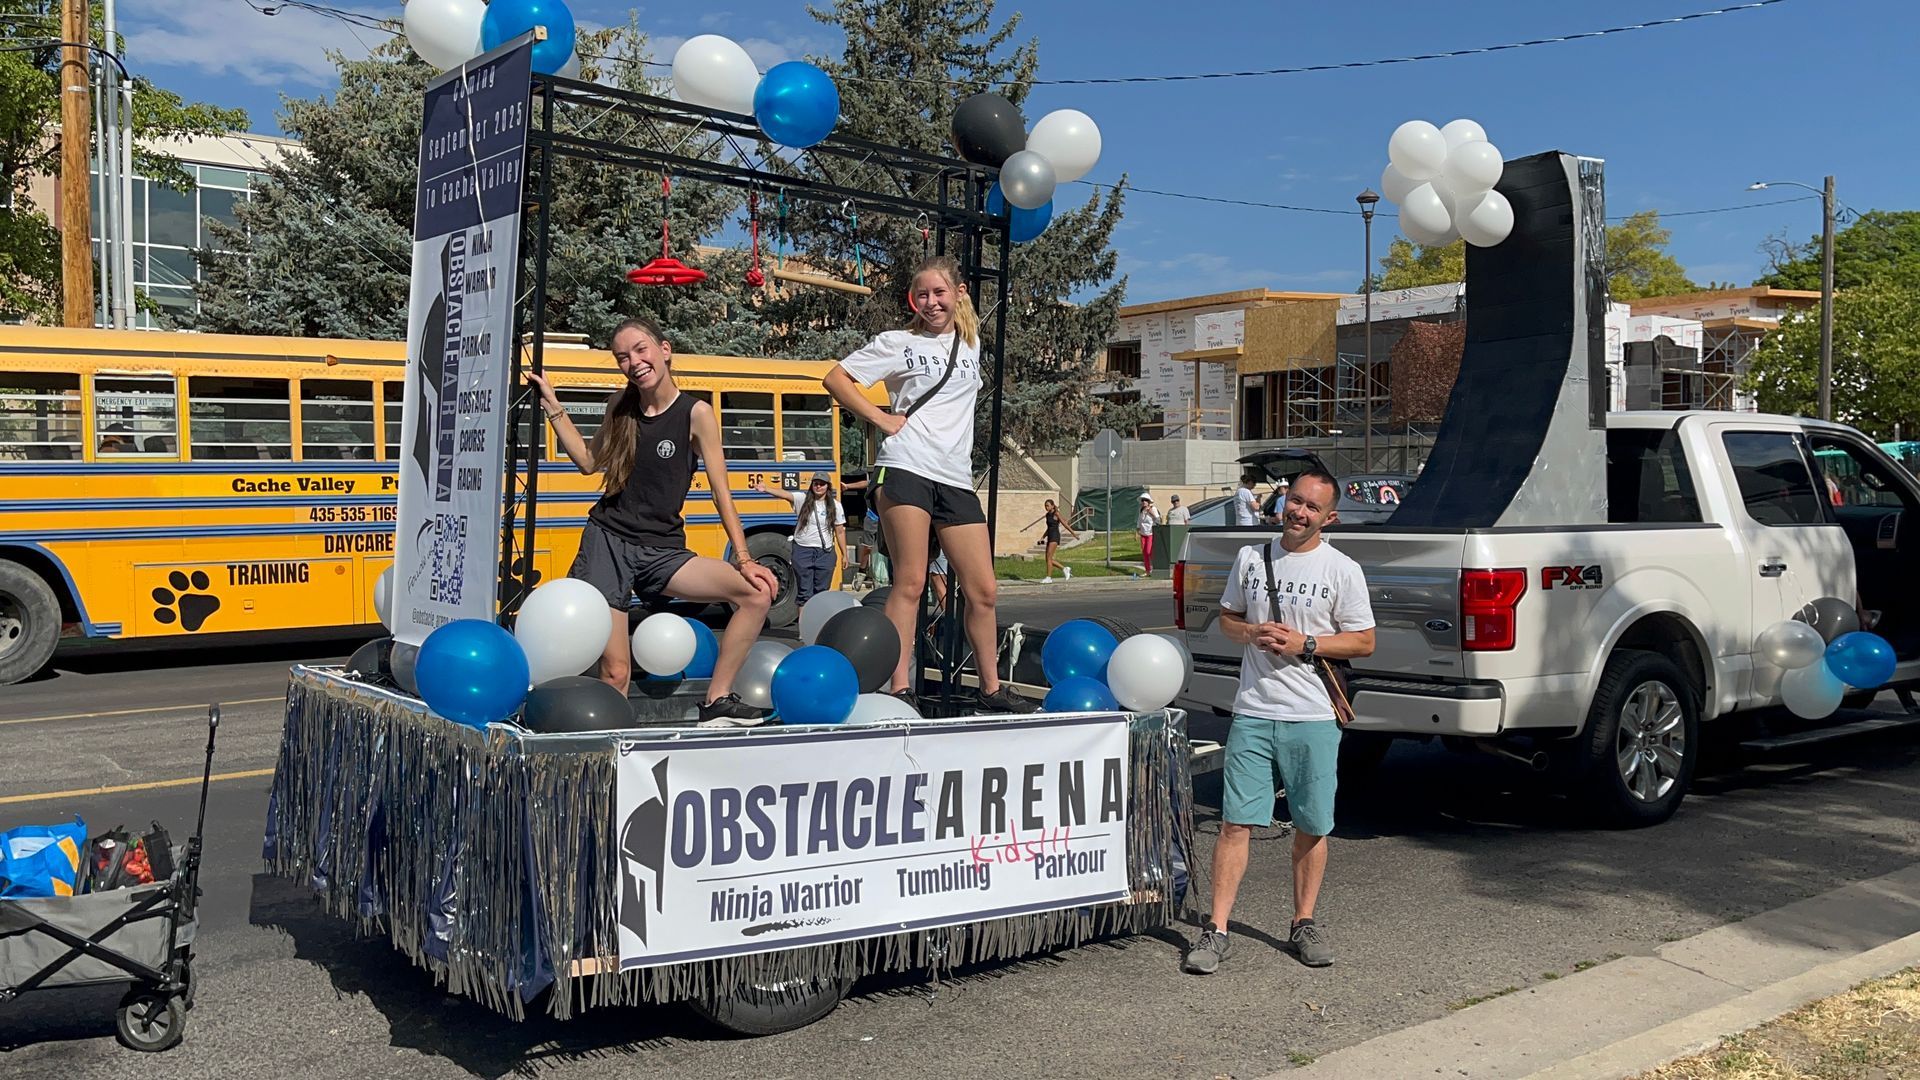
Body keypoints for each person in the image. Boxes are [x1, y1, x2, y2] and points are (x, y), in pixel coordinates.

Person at [527, 317, 778, 728]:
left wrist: (745, 558)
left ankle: (717, 701)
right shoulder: (620, 406)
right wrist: (554, 407)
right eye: (622, 357)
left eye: (640, 350)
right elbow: (589, 463)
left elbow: (721, 493)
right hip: (608, 543)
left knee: (756, 593)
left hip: (662, 549)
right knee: (616, 672)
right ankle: (608, 750)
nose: (634, 362)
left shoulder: (696, 414)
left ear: (664, 350)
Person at [1184, 467, 1375, 975]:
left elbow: (1363, 641)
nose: (1300, 512)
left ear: (1328, 518)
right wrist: (1251, 633)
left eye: (1313, 507)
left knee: (1311, 825)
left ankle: (1303, 923)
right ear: (1282, 501)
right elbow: (1228, 619)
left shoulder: (1342, 570)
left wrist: (1305, 643)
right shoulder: (1251, 557)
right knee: (1235, 824)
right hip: (1253, 710)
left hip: (1312, 716)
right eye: (1295, 500)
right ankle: (1217, 929)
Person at [822, 254, 1032, 714]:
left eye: (939, 292)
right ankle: (899, 686)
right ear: (912, 299)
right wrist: (880, 417)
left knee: (984, 589)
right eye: (922, 294)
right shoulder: (899, 342)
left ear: (959, 294)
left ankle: (991, 689)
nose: (931, 302)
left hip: (954, 477)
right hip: (906, 466)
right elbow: (835, 378)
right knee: (911, 581)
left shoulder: (970, 343)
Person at [751, 472, 845, 607]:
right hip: (803, 551)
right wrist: (766, 488)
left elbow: (840, 531)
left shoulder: (835, 505)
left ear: (828, 486)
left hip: (825, 553)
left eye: (822, 484)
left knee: (822, 593)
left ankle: (819, 619)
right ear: (812, 485)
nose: (818, 486)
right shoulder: (802, 499)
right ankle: (804, 621)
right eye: (816, 484)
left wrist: (844, 554)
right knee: (804, 594)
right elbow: (785, 494)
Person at [1040, 498, 1076, 584]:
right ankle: (1065, 569)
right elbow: (1049, 528)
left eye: (1048, 505)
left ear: (1052, 506)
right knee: (1048, 559)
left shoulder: (1056, 514)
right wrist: (1043, 537)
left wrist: (1073, 533)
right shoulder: (1047, 515)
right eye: (1045, 506)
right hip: (1050, 536)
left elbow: (1065, 524)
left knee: (1049, 558)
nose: (1046, 507)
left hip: (1055, 536)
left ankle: (1049, 578)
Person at [1138, 494, 1160, 573]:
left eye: (1146, 500)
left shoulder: (1153, 509)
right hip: (1143, 534)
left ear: (1149, 501)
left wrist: (1152, 513)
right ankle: (1147, 570)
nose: (1144, 502)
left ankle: (1154, 568)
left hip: (1150, 533)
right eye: (1142, 500)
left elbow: (1158, 520)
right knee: (1144, 553)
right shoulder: (1141, 510)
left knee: (1149, 551)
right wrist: (1138, 529)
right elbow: (1139, 521)